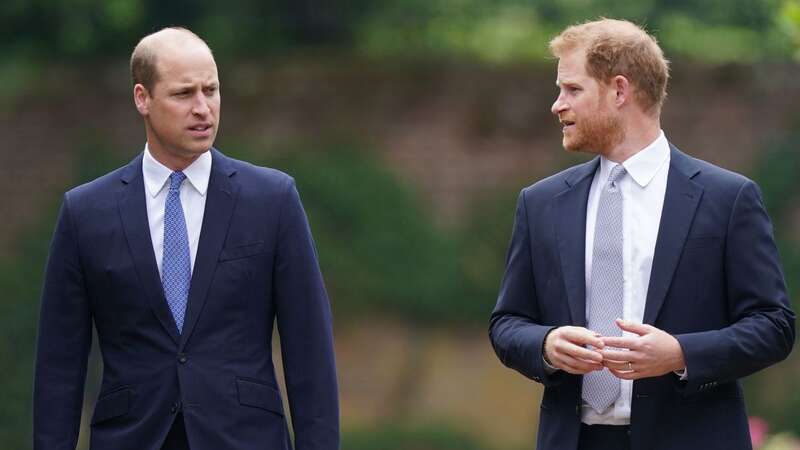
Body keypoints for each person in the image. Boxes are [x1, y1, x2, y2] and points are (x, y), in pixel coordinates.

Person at [489, 18, 794, 450]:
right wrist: (546, 344)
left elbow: (774, 327)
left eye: (572, 90)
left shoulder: (728, 198)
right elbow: (506, 323)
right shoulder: (541, 203)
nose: (557, 105)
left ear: (619, 90)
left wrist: (681, 354)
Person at [33, 27, 339, 450]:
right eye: (183, 94)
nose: (203, 108)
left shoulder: (273, 200)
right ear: (143, 98)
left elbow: (311, 352)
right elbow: (58, 367)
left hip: (246, 439)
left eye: (210, 90)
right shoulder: (85, 212)